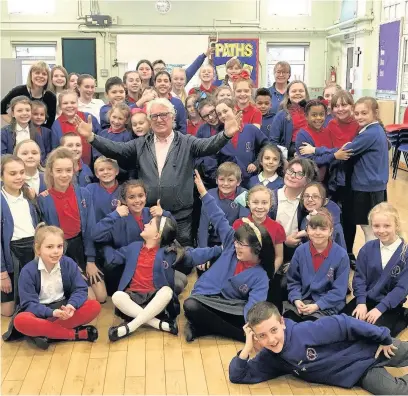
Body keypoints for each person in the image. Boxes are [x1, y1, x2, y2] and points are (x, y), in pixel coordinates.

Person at [73, 97, 241, 246]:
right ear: (149, 119)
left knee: (183, 261)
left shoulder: (187, 142)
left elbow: (208, 145)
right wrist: (91, 138)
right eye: (154, 116)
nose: (159, 119)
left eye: (164, 115)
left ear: (173, 117)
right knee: (153, 261)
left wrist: (226, 134)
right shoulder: (140, 143)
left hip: (181, 217)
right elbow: (116, 150)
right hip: (150, 215)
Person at [229, 301, 408, 395]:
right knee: (395, 392)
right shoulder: (271, 357)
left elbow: (345, 323)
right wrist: (247, 347)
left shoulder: (306, 331)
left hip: (372, 347)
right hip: (358, 373)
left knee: (404, 351)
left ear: (282, 323)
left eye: (273, 330)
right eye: (262, 336)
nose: (271, 339)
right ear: (254, 335)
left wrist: (383, 337)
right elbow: (238, 375)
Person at [183, 171, 274, 342]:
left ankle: (200, 327)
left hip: (231, 306)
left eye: (242, 245)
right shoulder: (231, 243)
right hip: (206, 296)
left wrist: (249, 324)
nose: (237, 247)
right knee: (190, 305)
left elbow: (253, 305)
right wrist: (203, 192)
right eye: (237, 243)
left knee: (248, 316)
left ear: (256, 249)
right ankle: (234, 334)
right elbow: (218, 217)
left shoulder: (261, 275)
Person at [10, 224, 101, 350]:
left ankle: (46, 333)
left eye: (59, 246)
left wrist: (71, 305)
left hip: (63, 308)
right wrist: (51, 312)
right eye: (49, 247)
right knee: (20, 320)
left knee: (94, 305)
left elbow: (80, 289)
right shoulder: (28, 271)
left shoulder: (68, 263)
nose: (56, 251)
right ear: (38, 249)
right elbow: (28, 303)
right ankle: (74, 334)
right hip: (39, 312)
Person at [38, 147, 107, 303]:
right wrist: (67, 264)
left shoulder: (84, 194)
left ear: (75, 169)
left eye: (68, 170)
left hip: (81, 248)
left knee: (102, 297)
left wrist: (90, 260)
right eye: (59, 170)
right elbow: (47, 238)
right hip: (61, 252)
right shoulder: (44, 199)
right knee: (89, 300)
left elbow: (89, 229)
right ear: (51, 171)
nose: (64, 175)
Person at [106, 215, 186, 341]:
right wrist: (102, 248)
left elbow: (195, 254)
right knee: (116, 296)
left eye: (149, 223)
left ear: (156, 235)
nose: (145, 224)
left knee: (167, 291)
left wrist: (219, 249)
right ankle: (159, 324)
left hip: (154, 298)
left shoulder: (168, 252)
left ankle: (129, 328)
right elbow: (112, 257)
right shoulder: (133, 247)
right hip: (133, 298)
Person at [343, 203, 408, 337]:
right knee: (342, 326)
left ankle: (402, 316)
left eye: (387, 226)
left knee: (373, 336)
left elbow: (401, 288)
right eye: (376, 226)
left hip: (390, 305)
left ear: (396, 225)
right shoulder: (367, 249)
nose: (381, 230)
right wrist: (361, 302)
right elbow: (359, 278)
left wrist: (380, 308)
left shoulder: (405, 253)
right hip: (366, 300)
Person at [285, 208, 349, 322]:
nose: (317, 232)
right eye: (313, 228)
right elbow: (293, 280)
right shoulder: (300, 251)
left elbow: (339, 290)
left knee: (312, 327)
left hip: (327, 304)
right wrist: (296, 299)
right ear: (307, 230)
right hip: (302, 301)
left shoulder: (341, 255)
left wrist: (317, 305)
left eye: (323, 229)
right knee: (287, 324)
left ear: (330, 231)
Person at [1, 155, 39, 317]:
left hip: (32, 251)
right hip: (11, 255)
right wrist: (2, 273)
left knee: (35, 300)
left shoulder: (29, 196)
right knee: (8, 311)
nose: (18, 177)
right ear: (2, 176)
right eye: (13, 173)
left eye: (21, 172)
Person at [215, 98, 268, 187]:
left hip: (251, 181)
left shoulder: (250, 129)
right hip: (229, 184)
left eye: (225, 111)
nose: (223, 116)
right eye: (219, 114)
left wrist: (257, 162)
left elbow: (267, 146)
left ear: (234, 110)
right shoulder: (219, 137)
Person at [295, 100, 352, 182]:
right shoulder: (302, 135)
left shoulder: (328, 131)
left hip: (330, 178)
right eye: (314, 115)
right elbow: (310, 161)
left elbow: (338, 150)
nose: (318, 118)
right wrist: (334, 156)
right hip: (311, 180)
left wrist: (315, 150)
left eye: (321, 114)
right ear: (306, 116)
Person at [51, 90, 100, 166]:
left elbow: (99, 140)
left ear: (78, 104)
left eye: (73, 102)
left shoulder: (88, 118)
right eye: (65, 103)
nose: (69, 105)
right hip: (67, 167)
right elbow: (55, 149)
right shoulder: (56, 125)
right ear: (60, 106)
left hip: (90, 166)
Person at [1, 61, 57, 129]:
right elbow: (1, 109)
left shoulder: (51, 97)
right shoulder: (18, 91)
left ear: (48, 78)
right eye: (37, 73)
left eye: (44, 74)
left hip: (40, 134)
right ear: (30, 75)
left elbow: (50, 123)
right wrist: (16, 125)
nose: (40, 76)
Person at [297, 182, 346, 249]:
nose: (310, 199)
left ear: (324, 201)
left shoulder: (334, 225)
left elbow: (341, 251)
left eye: (315, 196)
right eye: (306, 196)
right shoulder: (304, 220)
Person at [270, 80, 310, 159]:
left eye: (301, 91)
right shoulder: (281, 115)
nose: (297, 93)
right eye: (294, 91)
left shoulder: (311, 113)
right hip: (289, 154)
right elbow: (273, 142)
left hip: (311, 151)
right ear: (288, 95)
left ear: (306, 94)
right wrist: (284, 159)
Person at [1, 96, 46, 165]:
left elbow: (41, 154)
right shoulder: (4, 132)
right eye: (20, 110)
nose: (24, 113)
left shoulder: (36, 132)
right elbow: (2, 155)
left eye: (27, 110)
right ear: (13, 113)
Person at [86, 156, 120, 223]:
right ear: (96, 174)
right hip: (97, 230)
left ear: (116, 171)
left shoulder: (125, 190)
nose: (106, 172)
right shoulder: (89, 190)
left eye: (109, 169)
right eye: (101, 170)